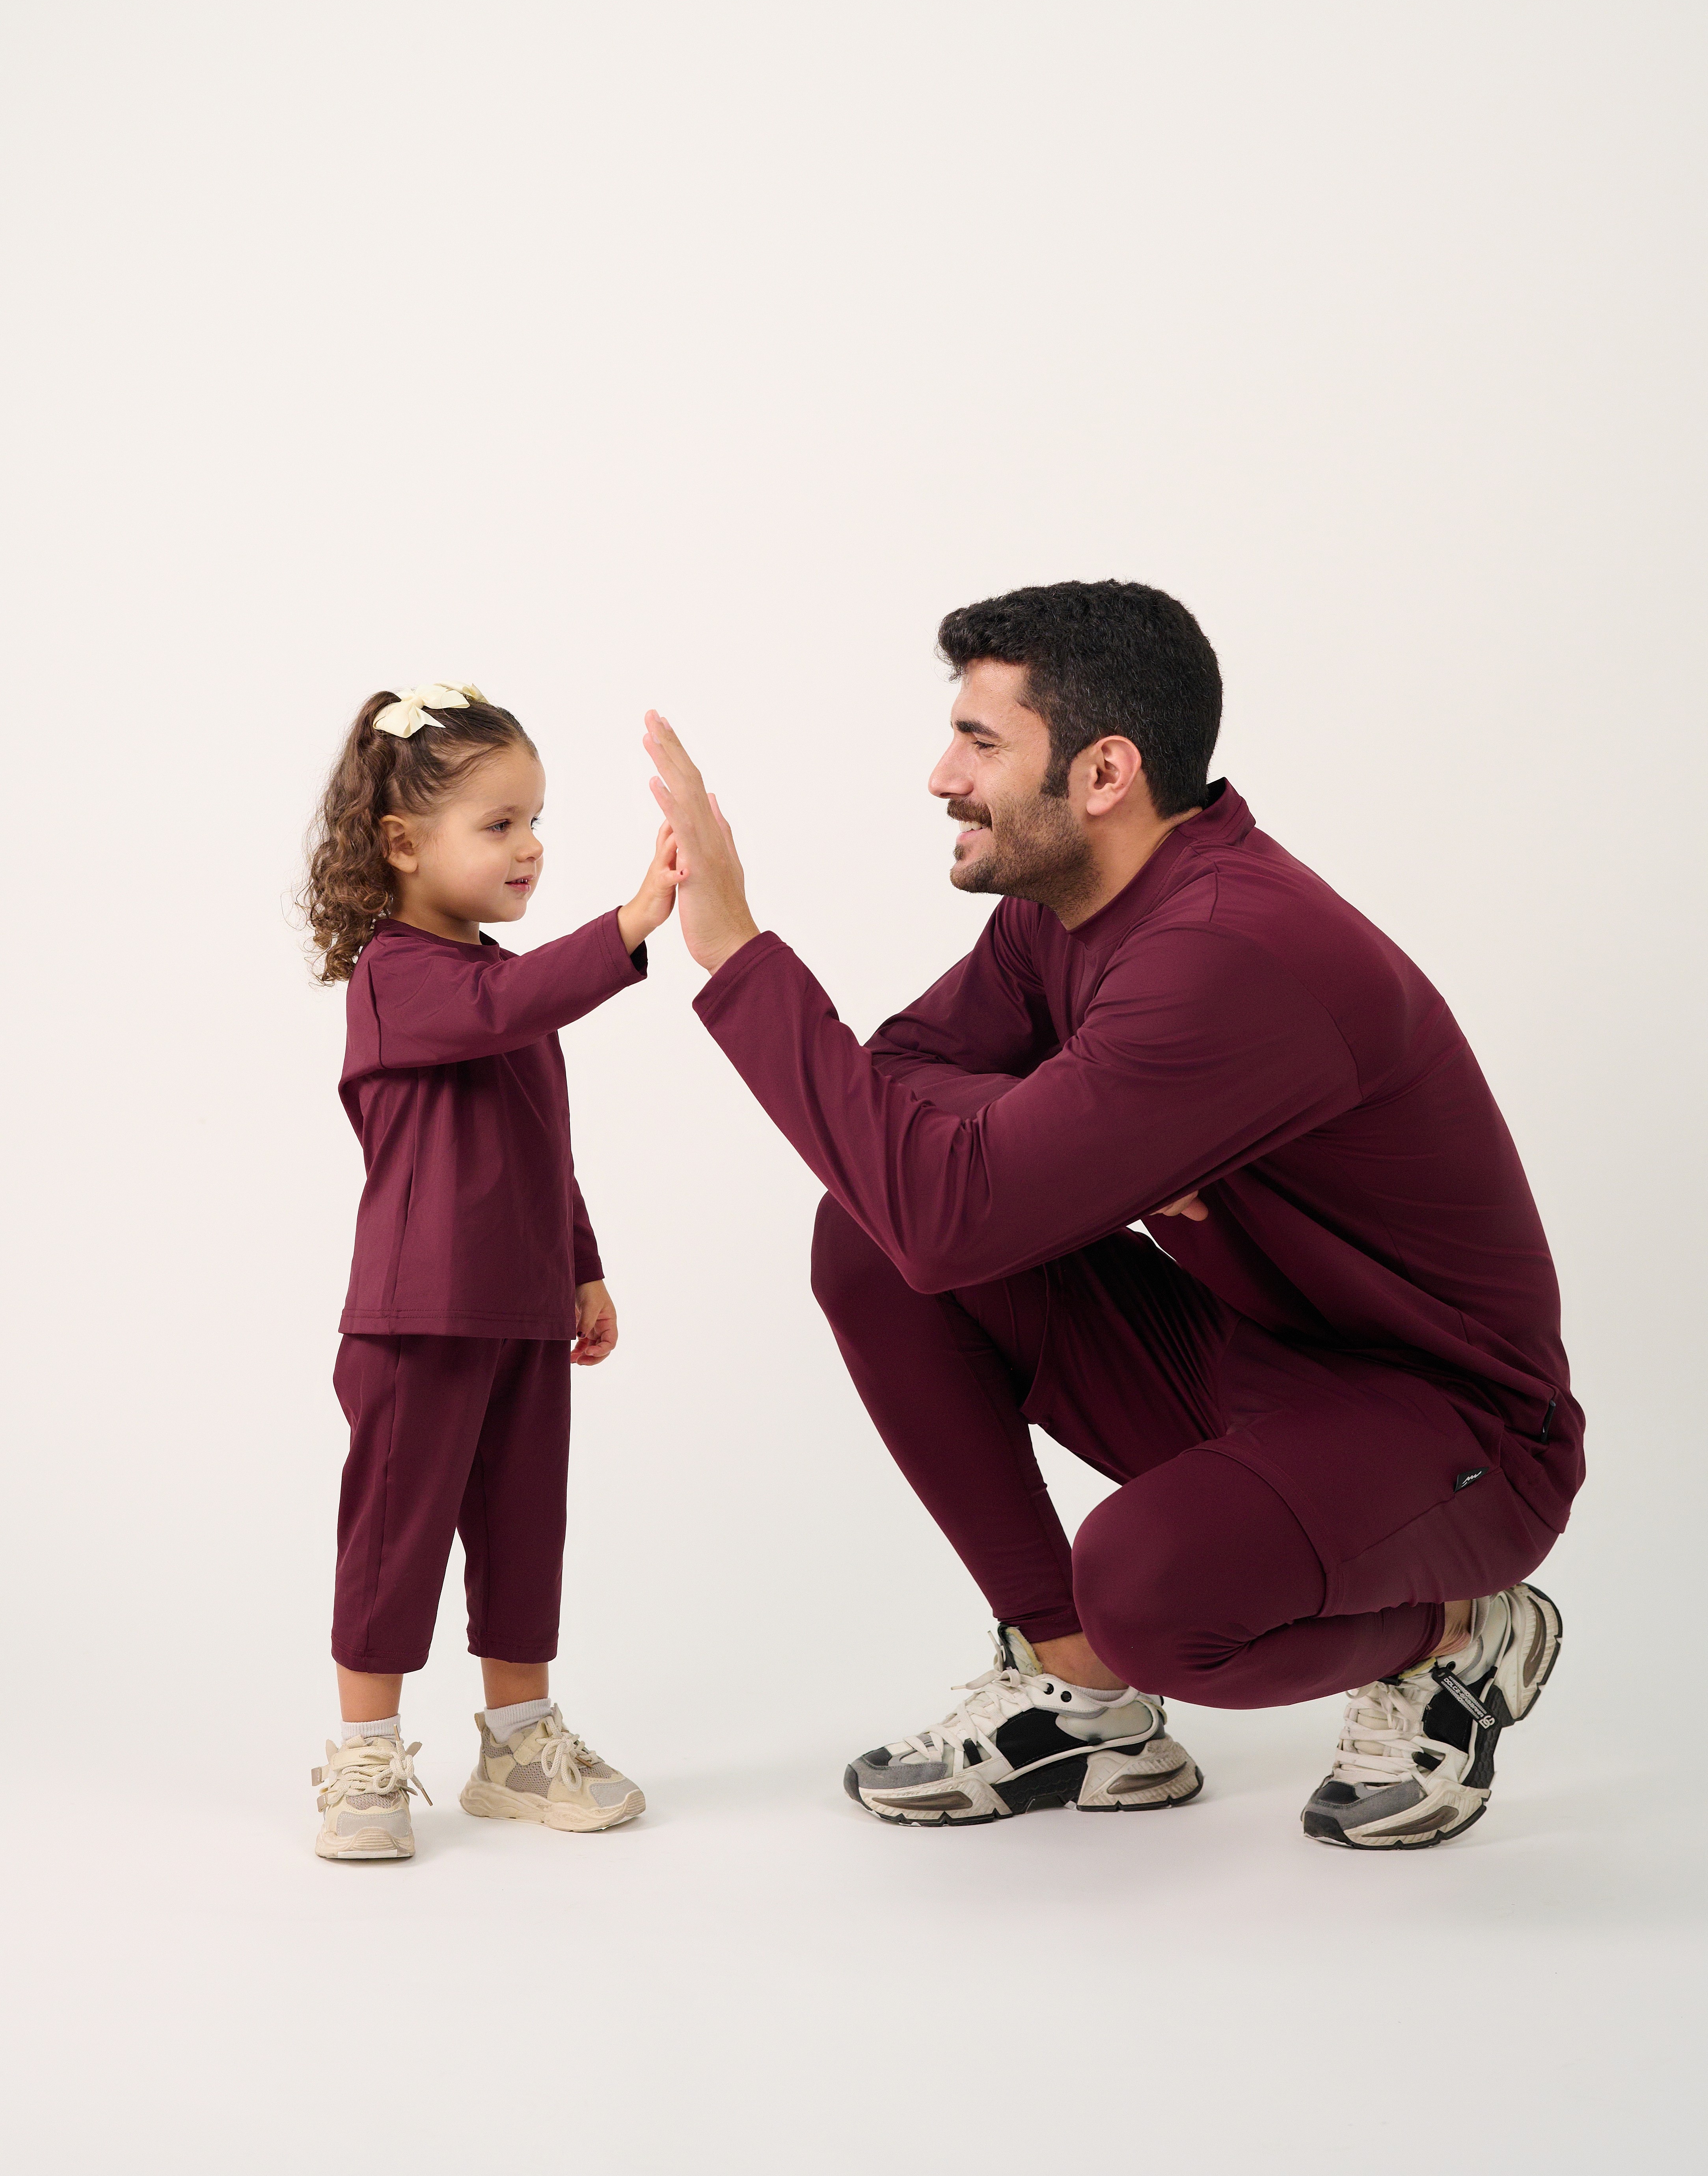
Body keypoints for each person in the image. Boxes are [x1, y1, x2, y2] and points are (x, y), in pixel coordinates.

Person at [642, 581, 1583, 1851]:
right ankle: (1080, 1697)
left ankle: (1466, 1634)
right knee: (862, 1232)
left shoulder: (1225, 953)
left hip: (1450, 1425)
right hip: (1252, 1356)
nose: (941, 775)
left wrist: (737, 949)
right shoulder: (1066, 912)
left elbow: (947, 1206)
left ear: (1103, 772)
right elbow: (905, 1076)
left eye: (981, 741)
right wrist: (1078, 1120)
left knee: (1150, 1586)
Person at [298, 682, 680, 1860]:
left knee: (525, 1529)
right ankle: (365, 1754)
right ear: (403, 846)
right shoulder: (400, 975)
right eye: (500, 823)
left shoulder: (499, 985)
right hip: (420, 1317)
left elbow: (538, 1141)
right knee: (396, 1532)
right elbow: (502, 1002)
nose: (532, 846)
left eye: (535, 818)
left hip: (519, 1312)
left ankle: (519, 1742)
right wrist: (631, 920)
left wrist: (581, 1264)